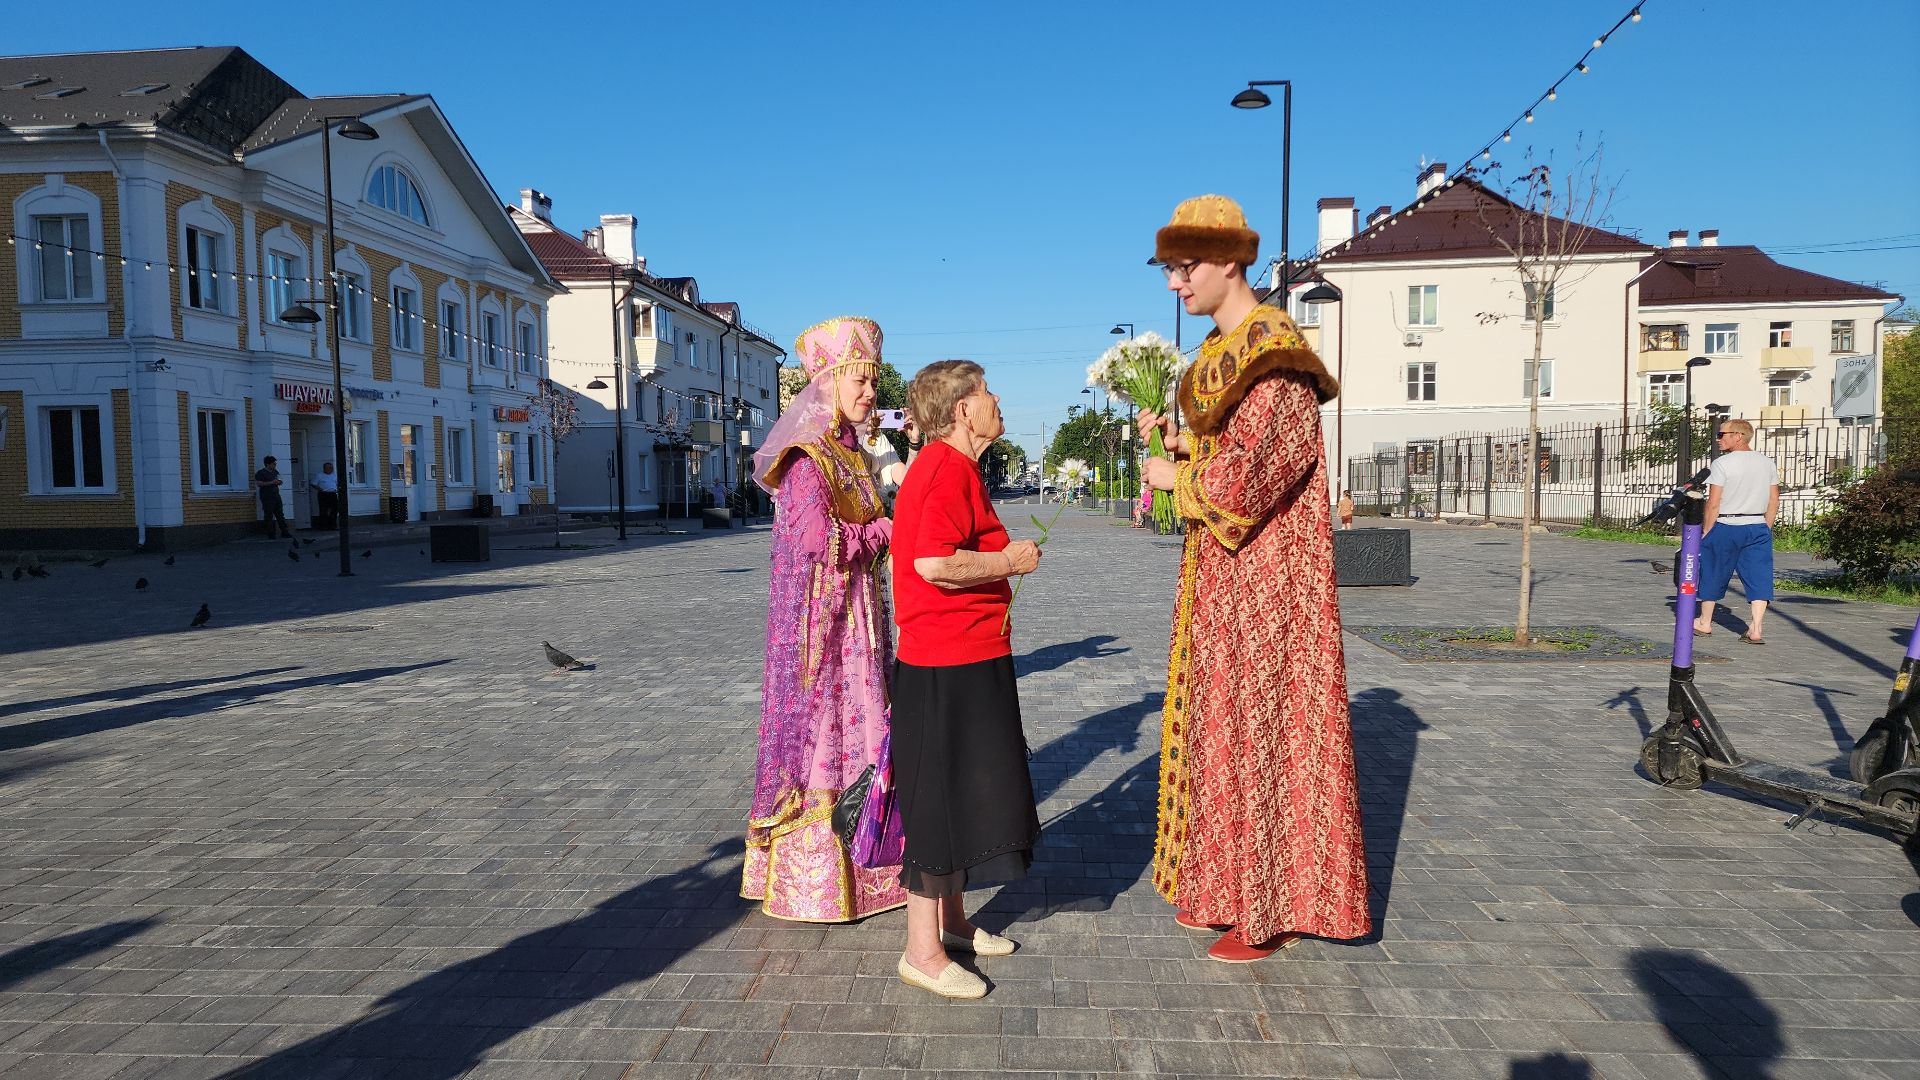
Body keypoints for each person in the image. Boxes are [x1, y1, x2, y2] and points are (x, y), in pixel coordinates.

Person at [1137, 194, 1370, 962]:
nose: (1176, 283)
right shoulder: (1223, 354)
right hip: (1225, 578)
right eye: (1171, 269)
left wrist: (1177, 478)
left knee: (1265, 733)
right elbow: (1227, 452)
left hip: (1272, 585)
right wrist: (1180, 443)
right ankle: (1226, 886)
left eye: (1185, 267)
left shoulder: (1275, 355)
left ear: (1231, 261)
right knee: (1223, 732)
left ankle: (1270, 907)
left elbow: (1254, 477)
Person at [741, 317, 907, 923]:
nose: (870, 395)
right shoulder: (808, 457)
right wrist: (887, 530)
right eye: (859, 383)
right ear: (828, 383)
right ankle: (812, 878)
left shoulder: (853, 453)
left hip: (859, 614)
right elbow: (816, 539)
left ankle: (871, 864)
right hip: (826, 626)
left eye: (873, 384)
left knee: (862, 727)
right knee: (827, 731)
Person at [889, 359, 1041, 999]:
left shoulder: (956, 468)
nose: (996, 397)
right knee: (939, 799)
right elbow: (933, 562)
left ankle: (951, 924)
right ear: (961, 410)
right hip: (943, 660)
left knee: (965, 789)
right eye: (985, 390)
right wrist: (1009, 559)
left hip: (968, 653)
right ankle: (920, 952)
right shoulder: (943, 468)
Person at [1691, 418, 1779, 645]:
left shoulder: (1722, 464)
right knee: (1759, 576)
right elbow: (1773, 500)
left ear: (1738, 436)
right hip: (1757, 526)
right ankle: (1756, 628)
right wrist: (1765, 527)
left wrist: (1707, 531)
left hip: (1726, 525)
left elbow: (1713, 502)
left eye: (1722, 435)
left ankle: (1705, 622)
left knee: (1713, 571)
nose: (1718, 439)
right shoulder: (1767, 463)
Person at [255, 455, 293, 539]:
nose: (275, 465)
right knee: (269, 515)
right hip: (267, 497)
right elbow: (259, 483)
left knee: (280, 514)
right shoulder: (261, 473)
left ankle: (284, 532)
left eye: (275, 464)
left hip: (276, 496)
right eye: (273, 464)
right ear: (267, 464)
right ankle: (271, 533)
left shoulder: (275, 472)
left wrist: (278, 482)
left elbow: (280, 480)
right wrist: (271, 482)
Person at [312, 461, 339, 531]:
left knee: (334, 510)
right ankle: (323, 526)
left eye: (331, 468)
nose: (330, 469)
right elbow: (313, 484)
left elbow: (337, 483)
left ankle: (333, 525)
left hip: (333, 494)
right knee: (323, 510)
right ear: (324, 468)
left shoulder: (334, 475)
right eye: (328, 468)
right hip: (323, 494)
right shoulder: (319, 475)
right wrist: (320, 489)